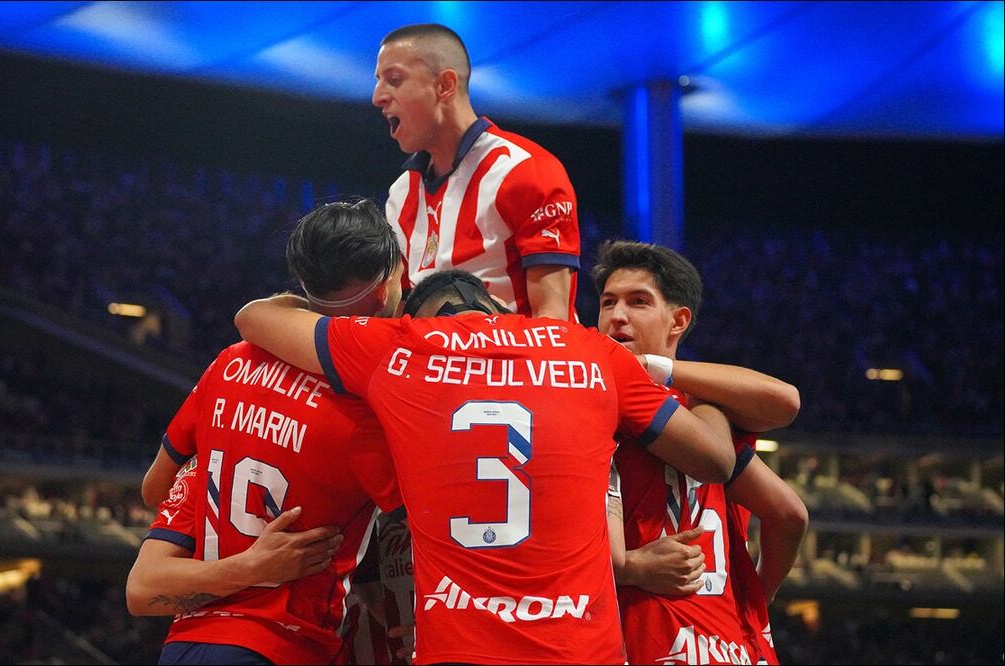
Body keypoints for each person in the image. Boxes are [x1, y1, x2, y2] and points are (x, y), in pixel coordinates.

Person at [234, 268, 737, 664]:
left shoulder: (399, 349)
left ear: (416, 320)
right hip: (579, 649)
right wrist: (711, 405)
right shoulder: (590, 351)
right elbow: (715, 460)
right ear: (498, 306)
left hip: (460, 649)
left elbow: (254, 317)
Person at [127, 199, 408, 665]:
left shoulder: (231, 360)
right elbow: (428, 521)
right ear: (384, 289)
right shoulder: (366, 405)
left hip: (185, 645)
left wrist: (220, 467)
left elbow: (155, 489)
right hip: (281, 645)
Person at [592, 240, 808, 665]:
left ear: (678, 321)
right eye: (607, 302)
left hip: (643, 643)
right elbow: (789, 515)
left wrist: (653, 368)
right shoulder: (708, 412)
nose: (617, 315)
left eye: (638, 302)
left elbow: (788, 402)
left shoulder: (604, 408)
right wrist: (754, 601)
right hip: (731, 647)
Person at [373, 23, 580, 320]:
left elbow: (553, 321)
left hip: (514, 351)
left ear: (445, 85)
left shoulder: (525, 170)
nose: (377, 96)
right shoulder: (401, 193)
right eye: (379, 81)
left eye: (394, 80)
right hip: (427, 350)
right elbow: (399, 316)